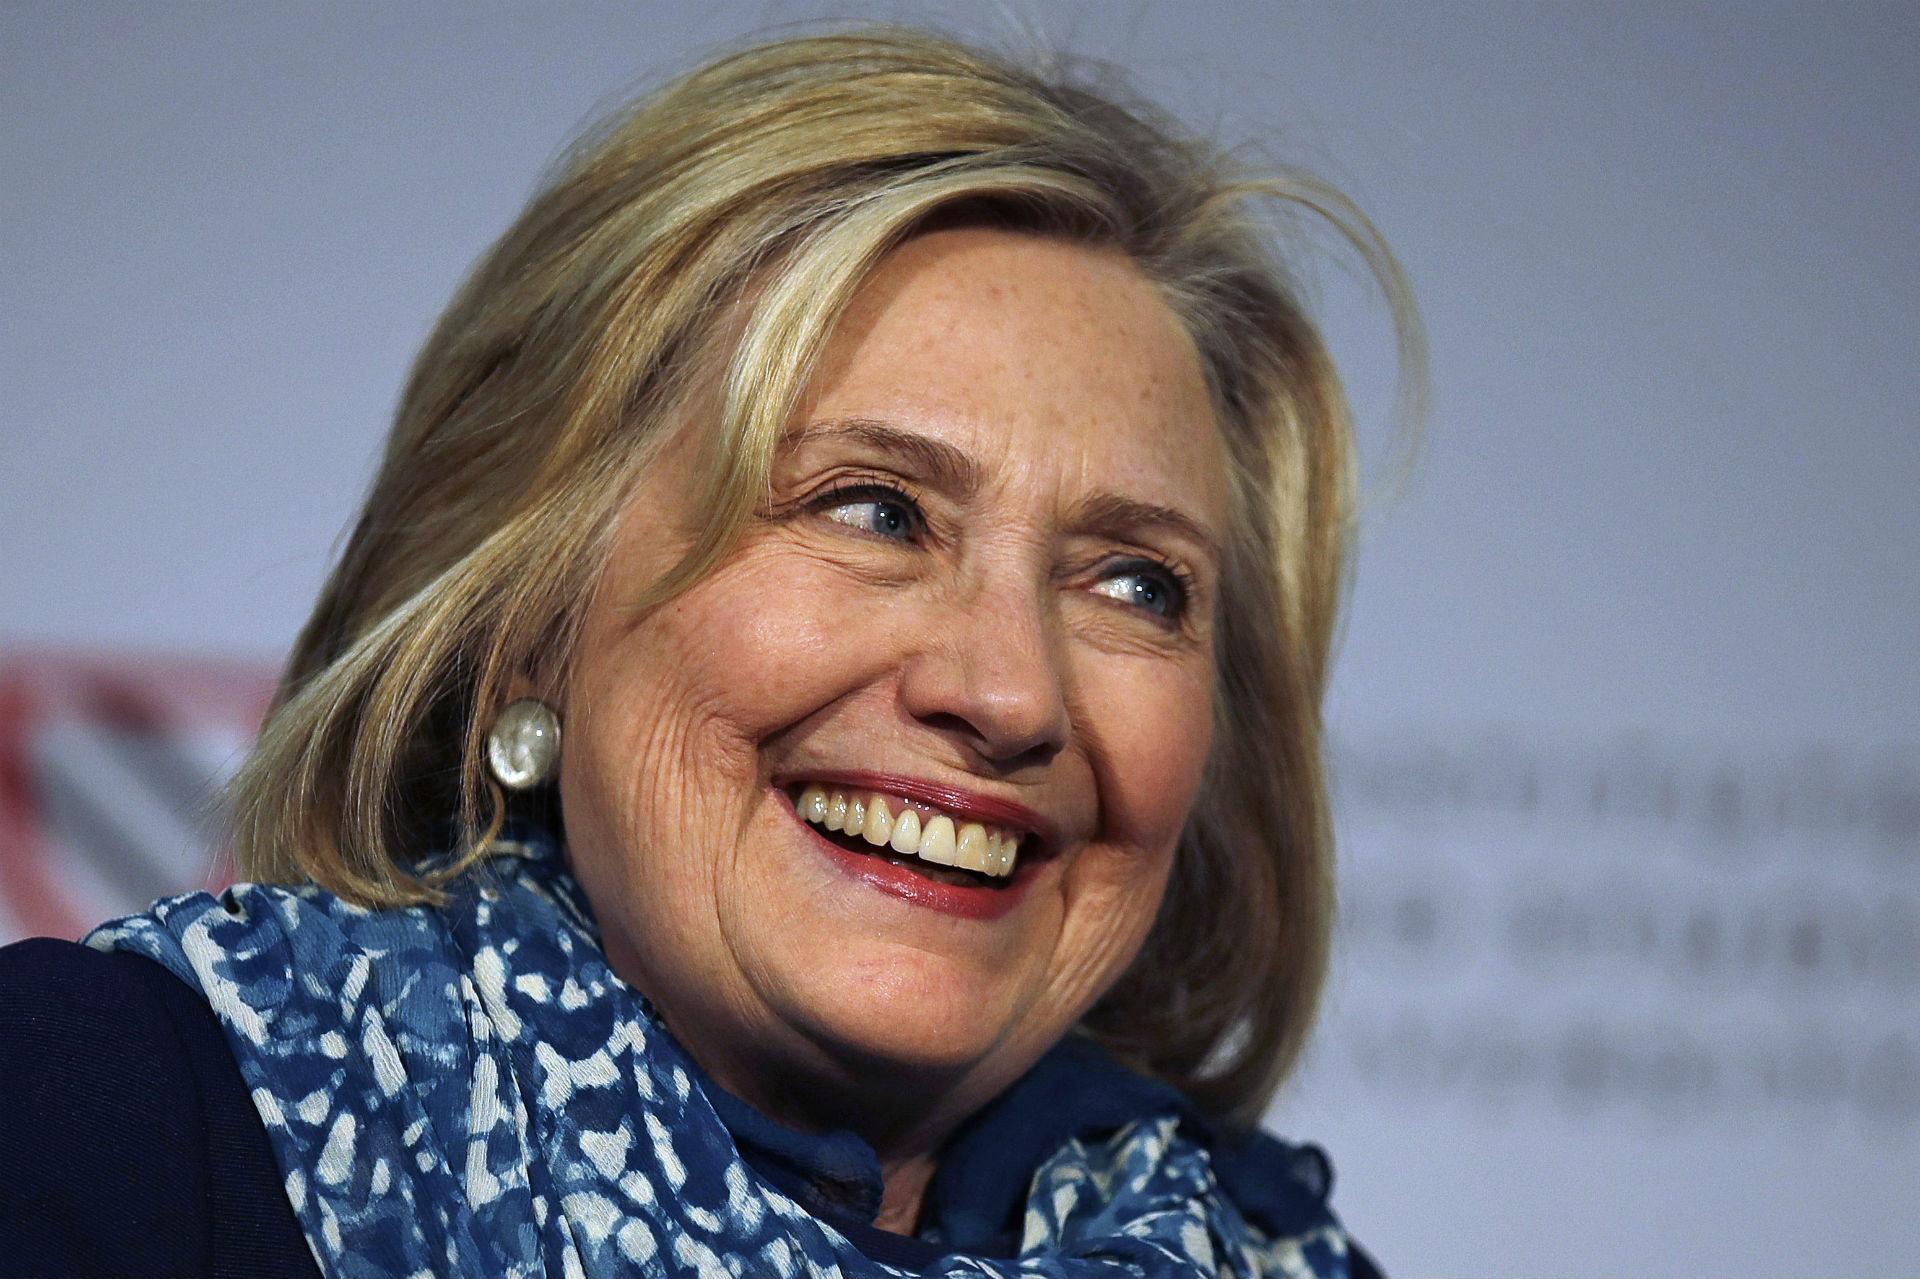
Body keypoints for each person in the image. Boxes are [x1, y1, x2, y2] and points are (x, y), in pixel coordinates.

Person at [0, 24, 1417, 1278]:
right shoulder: (98, 1119)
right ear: (528, 615)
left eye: (1135, 585)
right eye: (874, 509)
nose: (1008, 692)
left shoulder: (1272, 1255)